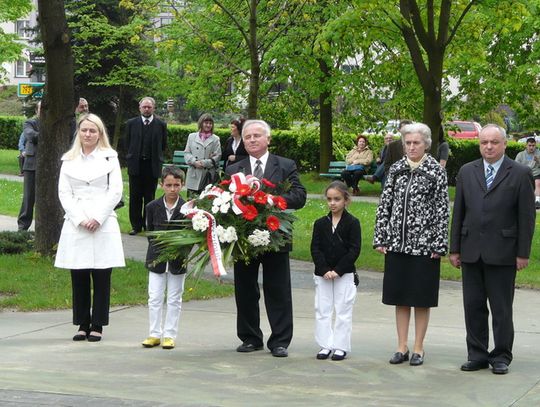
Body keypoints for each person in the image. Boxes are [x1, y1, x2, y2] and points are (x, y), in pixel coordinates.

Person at [450, 124, 536, 375]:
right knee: (473, 305)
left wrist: (523, 253)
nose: (488, 146)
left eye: (494, 142)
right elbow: (459, 213)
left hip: (504, 251)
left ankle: (501, 355)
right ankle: (476, 354)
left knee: (501, 308)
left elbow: (526, 217)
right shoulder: (467, 172)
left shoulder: (520, 173)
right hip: (471, 250)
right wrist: (454, 248)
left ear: (505, 144)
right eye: (484, 142)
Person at [225, 119, 306, 358]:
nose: (252, 140)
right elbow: (224, 199)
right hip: (243, 238)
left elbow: (299, 196)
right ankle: (250, 338)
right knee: (245, 289)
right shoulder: (234, 170)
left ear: (268, 139)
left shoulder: (285, 165)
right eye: (248, 136)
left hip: (276, 237)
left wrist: (273, 201)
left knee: (278, 289)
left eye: (257, 136)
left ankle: (280, 341)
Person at [373, 122, 449, 367]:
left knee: (421, 298)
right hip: (397, 244)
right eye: (408, 143)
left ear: (426, 144)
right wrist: (381, 237)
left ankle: (418, 347)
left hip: (425, 247)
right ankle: (401, 346)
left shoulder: (435, 171)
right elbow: (385, 205)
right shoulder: (395, 169)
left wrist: (439, 243)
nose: (412, 147)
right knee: (400, 297)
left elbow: (441, 210)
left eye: (416, 142)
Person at [54, 113, 125, 342]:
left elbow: (115, 190)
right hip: (77, 222)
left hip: (102, 221)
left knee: (102, 275)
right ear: (79, 132)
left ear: (100, 133)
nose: (88, 134)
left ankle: (98, 325)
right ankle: (82, 324)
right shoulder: (68, 159)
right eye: (84, 130)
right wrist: (80, 218)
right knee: (80, 274)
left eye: (93, 131)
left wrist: (97, 217)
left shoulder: (109, 157)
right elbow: (64, 192)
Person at [311, 181, 361, 361]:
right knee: (322, 309)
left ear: (346, 200)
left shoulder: (353, 223)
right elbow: (315, 248)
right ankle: (325, 344)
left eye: (337, 199)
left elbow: (354, 250)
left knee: (343, 310)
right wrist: (324, 269)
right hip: (323, 274)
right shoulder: (320, 223)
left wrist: (338, 270)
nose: (333, 203)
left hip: (344, 274)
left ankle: (340, 346)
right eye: (330, 199)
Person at [141, 166, 187, 350]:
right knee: (154, 297)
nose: (173, 189)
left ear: (182, 185)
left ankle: (170, 334)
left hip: (178, 260)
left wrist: (178, 250)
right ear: (162, 185)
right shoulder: (152, 207)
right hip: (156, 258)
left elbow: (189, 235)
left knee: (175, 297)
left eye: (176, 185)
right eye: (168, 185)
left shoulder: (187, 208)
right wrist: (160, 247)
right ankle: (154, 333)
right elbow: (150, 231)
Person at [125, 96, 168, 235]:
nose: (147, 109)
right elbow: (127, 143)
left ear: (153, 108)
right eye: (144, 107)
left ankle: (148, 224)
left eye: (149, 107)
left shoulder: (161, 124)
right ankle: (136, 226)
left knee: (150, 197)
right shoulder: (131, 123)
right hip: (136, 165)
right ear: (140, 108)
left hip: (152, 166)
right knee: (135, 197)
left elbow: (163, 145)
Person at [184, 113, 221, 196]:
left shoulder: (215, 139)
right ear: (201, 123)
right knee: (191, 201)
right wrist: (194, 162)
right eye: (206, 123)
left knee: (206, 203)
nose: (208, 125)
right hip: (194, 174)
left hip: (207, 176)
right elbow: (187, 153)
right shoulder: (191, 137)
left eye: (210, 123)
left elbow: (218, 156)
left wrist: (204, 163)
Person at [17, 101, 40, 231]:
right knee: (28, 198)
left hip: (50, 167)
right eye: (41, 109)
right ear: (37, 111)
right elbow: (31, 135)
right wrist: (49, 135)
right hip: (31, 165)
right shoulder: (30, 123)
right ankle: (22, 227)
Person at [514, 137, 540, 209]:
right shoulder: (520, 154)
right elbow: (515, 166)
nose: (531, 147)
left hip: (535, 173)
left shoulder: (538, 153)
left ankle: (537, 201)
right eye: (530, 145)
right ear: (526, 145)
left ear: (535, 145)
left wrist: (538, 161)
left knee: (538, 182)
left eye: (533, 145)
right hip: (524, 173)